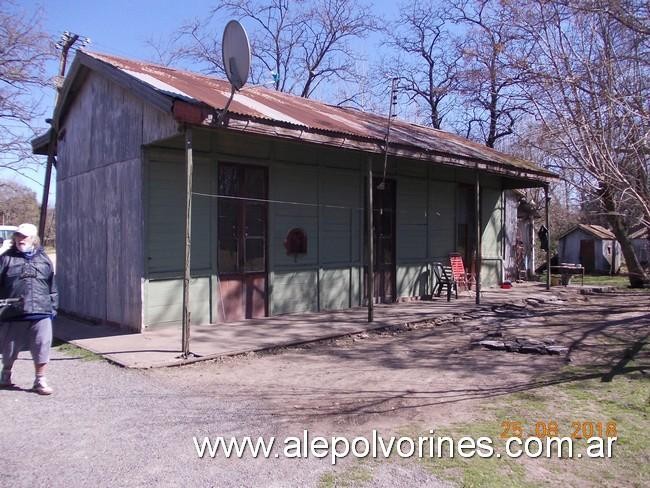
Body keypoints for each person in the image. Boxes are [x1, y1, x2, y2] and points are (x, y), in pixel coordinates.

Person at [0, 223, 58, 395]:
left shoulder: (44, 259)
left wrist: (53, 309)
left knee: (42, 346)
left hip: (41, 311)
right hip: (13, 312)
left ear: (34, 239)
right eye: (18, 236)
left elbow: (51, 286)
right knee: (9, 349)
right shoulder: (6, 259)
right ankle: (6, 375)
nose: (20, 239)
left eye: (24, 237)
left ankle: (40, 380)